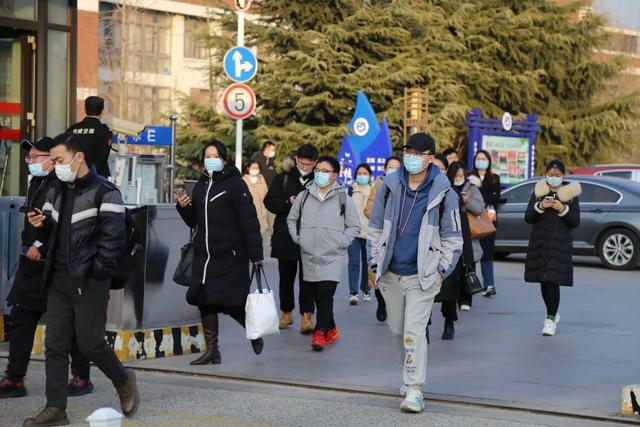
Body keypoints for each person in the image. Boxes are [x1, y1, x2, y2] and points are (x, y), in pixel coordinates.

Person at [24, 134, 139, 426]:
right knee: (56, 344)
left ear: (79, 158)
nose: (55, 165)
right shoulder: (57, 191)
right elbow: (52, 232)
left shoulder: (106, 192)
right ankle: (56, 409)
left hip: (89, 280)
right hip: (58, 279)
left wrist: (96, 274)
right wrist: (42, 225)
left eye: (59, 160)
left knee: (90, 344)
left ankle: (123, 378)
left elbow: (113, 240)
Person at [368, 132, 462, 413]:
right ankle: (408, 377)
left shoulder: (444, 192)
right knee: (397, 329)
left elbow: (454, 238)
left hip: (423, 275)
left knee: (413, 331)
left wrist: (441, 272)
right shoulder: (390, 185)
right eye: (408, 151)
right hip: (390, 273)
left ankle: (414, 389)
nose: (410, 156)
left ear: (430, 158)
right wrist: (374, 264)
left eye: (417, 153)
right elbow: (374, 229)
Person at [1, 138, 93, 400]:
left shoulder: (62, 185)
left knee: (69, 322)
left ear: (52, 159)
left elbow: (63, 223)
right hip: (31, 263)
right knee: (22, 317)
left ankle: (81, 376)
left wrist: (40, 244)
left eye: (35, 157)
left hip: (54, 263)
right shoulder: (38, 182)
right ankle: (15, 379)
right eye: (28, 158)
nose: (31, 162)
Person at [176, 140, 265, 365]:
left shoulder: (235, 184)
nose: (210, 160)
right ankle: (212, 350)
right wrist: (184, 207)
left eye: (214, 156)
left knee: (231, 302)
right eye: (207, 156)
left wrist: (256, 255)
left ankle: (253, 331)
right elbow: (193, 222)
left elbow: (249, 221)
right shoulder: (202, 184)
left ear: (223, 159)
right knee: (204, 300)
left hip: (230, 255)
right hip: (204, 255)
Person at [287, 156, 360, 352]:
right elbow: (292, 219)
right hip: (309, 255)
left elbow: (354, 226)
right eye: (318, 169)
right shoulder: (303, 196)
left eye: (324, 170)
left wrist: (341, 243)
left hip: (333, 257)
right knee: (316, 296)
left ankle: (320, 333)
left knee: (326, 294)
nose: (319, 173)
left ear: (335, 175)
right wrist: (298, 238)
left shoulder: (344, 197)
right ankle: (332, 328)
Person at [264, 145, 319, 333]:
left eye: (309, 164)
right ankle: (286, 313)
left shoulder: (319, 180)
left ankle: (307, 316)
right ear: (296, 160)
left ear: (315, 164)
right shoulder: (284, 178)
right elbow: (269, 202)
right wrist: (288, 202)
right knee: (285, 278)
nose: (305, 166)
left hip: (310, 236)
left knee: (308, 279)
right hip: (286, 235)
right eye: (302, 163)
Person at [525, 160, 581, 337]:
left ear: (563, 176)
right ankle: (553, 312)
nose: (554, 178)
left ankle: (549, 320)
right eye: (551, 174)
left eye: (557, 175)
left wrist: (562, 208)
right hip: (540, 242)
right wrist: (540, 206)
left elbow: (575, 221)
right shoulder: (539, 191)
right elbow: (528, 217)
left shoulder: (571, 194)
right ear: (545, 174)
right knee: (543, 280)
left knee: (553, 280)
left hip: (559, 244)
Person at [433, 161, 484, 340]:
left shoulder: (455, 195)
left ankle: (449, 322)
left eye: (441, 169)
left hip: (450, 249)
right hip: (428, 247)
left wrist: (467, 257)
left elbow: (463, 228)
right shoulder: (427, 190)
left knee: (449, 289)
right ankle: (424, 325)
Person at [364, 156, 401, 322]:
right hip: (380, 237)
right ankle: (381, 302)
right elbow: (368, 209)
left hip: (400, 237)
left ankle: (395, 304)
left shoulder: (407, 186)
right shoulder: (378, 186)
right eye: (390, 167)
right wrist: (384, 218)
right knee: (377, 271)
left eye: (396, 167)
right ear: (385, 169)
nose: (393, 169)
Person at [454, 168, 485, 312]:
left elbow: (479, 208)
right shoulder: (447, 187)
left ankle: (466, 298)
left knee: (468, 266)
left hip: (469, 235)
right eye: (456, 175)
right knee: (454, 267)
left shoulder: (472, 188)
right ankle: (453, 296)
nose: (459, 177)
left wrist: (467, 201)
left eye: (461, 175)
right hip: (453, 233)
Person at [471, 150, 501, 297]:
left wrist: (479, 196)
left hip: (489, 220)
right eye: (479, 158)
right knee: (473, 253)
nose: (481, 160)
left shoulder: (494, 178)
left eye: (484, 158)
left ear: (489, 161)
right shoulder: (469, 178)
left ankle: (489, 285)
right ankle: (471, 284)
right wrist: (486, 197)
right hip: (473, 219)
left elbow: (496, 198)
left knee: (487, 253)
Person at [66, 96, 113, 178]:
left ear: (85, 110)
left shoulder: (72, 129)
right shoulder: (104, 131)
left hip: (73, 175)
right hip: (97, 178)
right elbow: (102, 158)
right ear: (102, 111)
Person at [347, 163, 373, 305]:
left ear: (369, 175)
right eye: (360, 173)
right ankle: (353, 292)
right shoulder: (351, 190)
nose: (362, 176)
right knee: (354, 262)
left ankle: (366, 289)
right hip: (354, 232)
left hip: (369, 233)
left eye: (365, 173)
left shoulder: (374, 190)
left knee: (366, 263)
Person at [243, 160, 270, 238]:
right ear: (248, 168)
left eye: (257, 168)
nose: (255, 169)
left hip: (261, 214)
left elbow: (266, 193)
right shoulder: (243, 180)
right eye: (253, 167)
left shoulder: (261, 178)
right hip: (248, 215)